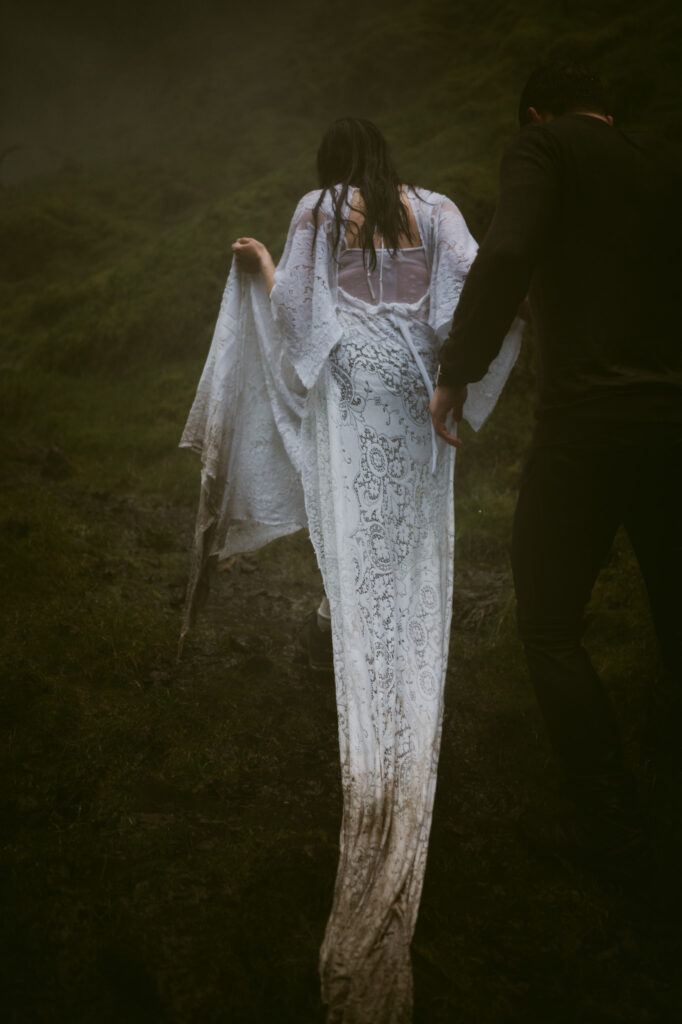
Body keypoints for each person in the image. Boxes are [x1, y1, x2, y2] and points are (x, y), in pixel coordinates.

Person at [180, 117, 521, 1021]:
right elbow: (473, 299)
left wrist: (260, 269)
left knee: (357, 545)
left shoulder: (319, 211)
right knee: (412, 553)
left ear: (332, 167)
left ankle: (363, 658)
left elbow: (298, 319)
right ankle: (397, 656)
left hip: (357, 403)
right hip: (416, 402)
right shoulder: (437, 210)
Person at [430, 64, 682, 881]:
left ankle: (613, 832)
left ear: (537, 113)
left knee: (548, 623)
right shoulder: (658, 161)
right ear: (607, 110)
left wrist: (458, 366)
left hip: (588, 424)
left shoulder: (542, 148)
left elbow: (507, 253)